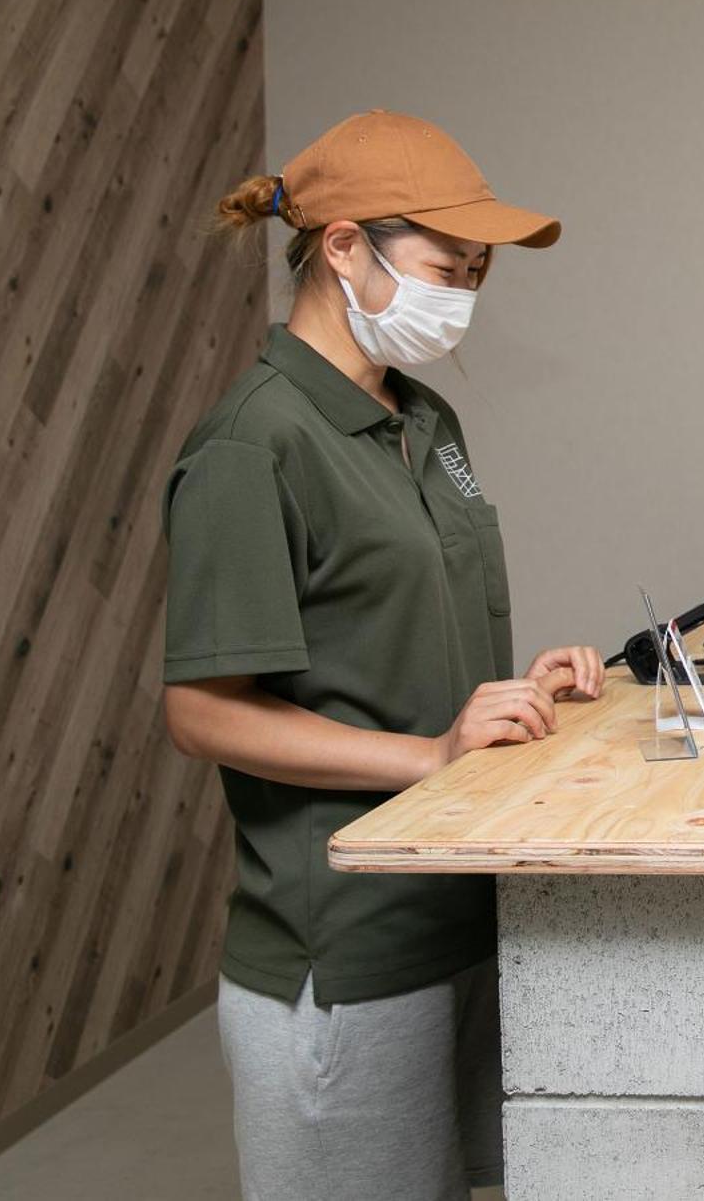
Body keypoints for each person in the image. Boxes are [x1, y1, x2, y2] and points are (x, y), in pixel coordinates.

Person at [161, 110, 605, 1201]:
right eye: (446, 265)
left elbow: (402, 627)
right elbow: (203, 712)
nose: (464, 292)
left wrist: (508, 699)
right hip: (344, 950)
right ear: (346, 246)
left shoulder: (423, 420)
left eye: (477, 271)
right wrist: (427, 756)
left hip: (457, 907)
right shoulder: (250, 446)